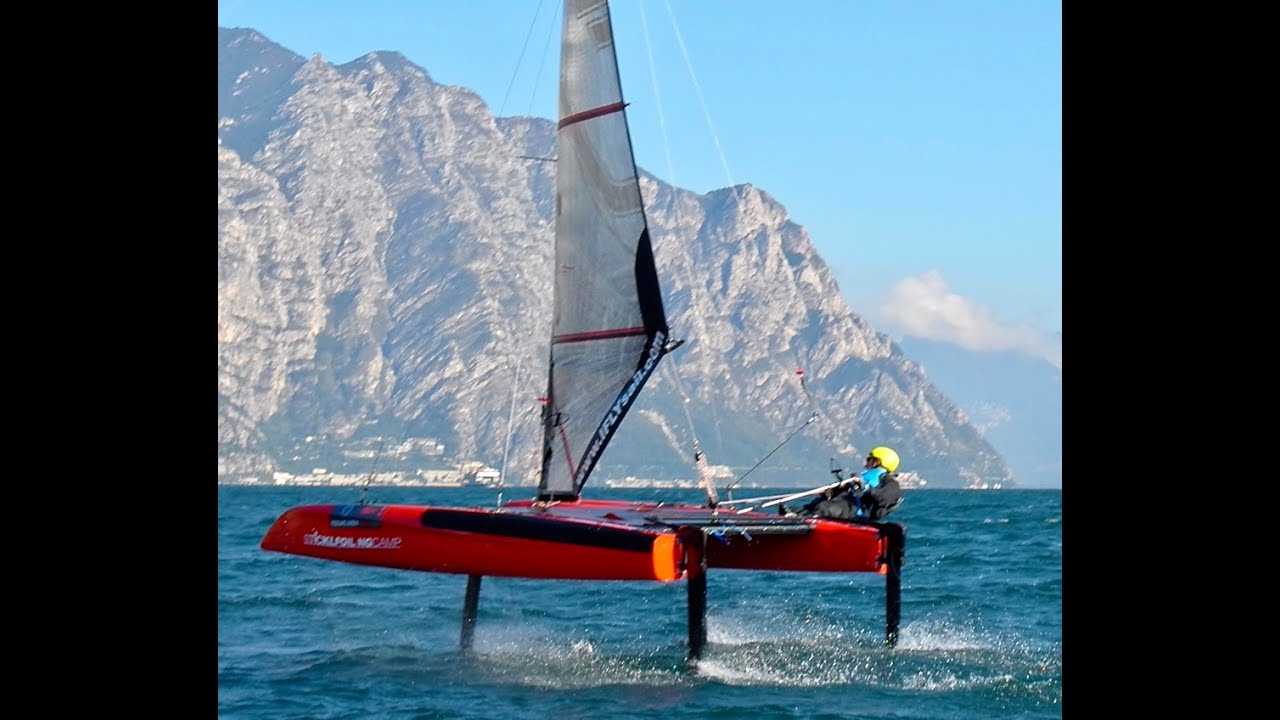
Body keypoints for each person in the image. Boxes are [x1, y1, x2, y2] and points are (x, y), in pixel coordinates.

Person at [787, 446, 904, 521]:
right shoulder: (864, 477)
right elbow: (847, 490)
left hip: (854, 509)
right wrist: (830, 493)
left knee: (824, 508)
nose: (866, 464)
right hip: (843, 502)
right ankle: (792, 515)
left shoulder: (889, 482)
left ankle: (802, 521)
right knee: (812, 505)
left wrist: (865, 488)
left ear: (876, 462)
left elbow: (886, 497)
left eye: (869, 460)